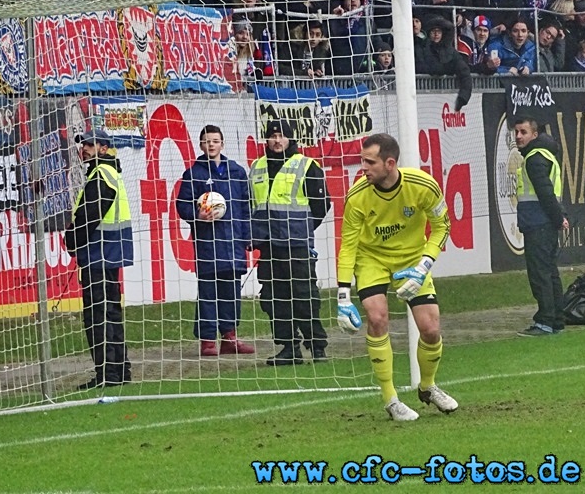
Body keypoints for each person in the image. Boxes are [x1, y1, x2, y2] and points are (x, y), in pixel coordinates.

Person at [337, 133, 457, 421]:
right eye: (362, 161)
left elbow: (443, 225)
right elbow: (348, 244)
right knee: (377, 318)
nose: (362, 168)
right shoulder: (357, 196)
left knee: (430, 328)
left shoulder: (423, 185)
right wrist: (342, 295)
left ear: (390, 163)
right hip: (372, 259)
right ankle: (390, 399)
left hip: (412, 260)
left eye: (369, 162)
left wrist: (423, 266)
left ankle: (427, 387)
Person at [250, 119, 330, 365]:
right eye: (272, 136)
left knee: (304, 296)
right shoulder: (256, 167)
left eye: (282, 136)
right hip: (268, 245)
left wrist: (302, 228)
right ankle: (288, 347)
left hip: (296, 244)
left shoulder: (307, 165)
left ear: (290, 139)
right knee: (273, 299)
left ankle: (316, 346)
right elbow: (252, 204)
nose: (276, 140)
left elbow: (321, 204)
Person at [176, 126, 255, 356]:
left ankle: (230, 338)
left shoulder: (237, 171)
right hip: (208, 243)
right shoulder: (193, 173)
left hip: (233, 242)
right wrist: (197, 215)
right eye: (206, 141)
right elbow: (181, 205)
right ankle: (208, 340)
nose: (211, 145)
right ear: (200, 145)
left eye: (215, 141)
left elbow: (245, 206)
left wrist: (247, 236)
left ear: (222, 143)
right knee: (209, 291)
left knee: (231, 291)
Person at [65, 129, 133, 389]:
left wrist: (71, 241)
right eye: (82, 144)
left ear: (103, 148)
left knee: (97, 315)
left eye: (89, 144)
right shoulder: (109, 172)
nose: (84, 148)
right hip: (110, 253)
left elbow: (89, 217)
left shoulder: (101, 175)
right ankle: (120, 370)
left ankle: (108, 373)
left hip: (98, 254)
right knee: (111, 313)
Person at [513, 118, 570, 337]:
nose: (518, 136)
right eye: (516, 132)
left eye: (523, 132)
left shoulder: (535, 159)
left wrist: (557, 218)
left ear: (534, 135)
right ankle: (556, 319)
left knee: (540, 273)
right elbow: (551, 191)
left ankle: (545, 321)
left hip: (539, 222)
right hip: (544, 221)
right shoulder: (546, 155)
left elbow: (545, 193)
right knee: (550, 271)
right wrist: (559, 216)